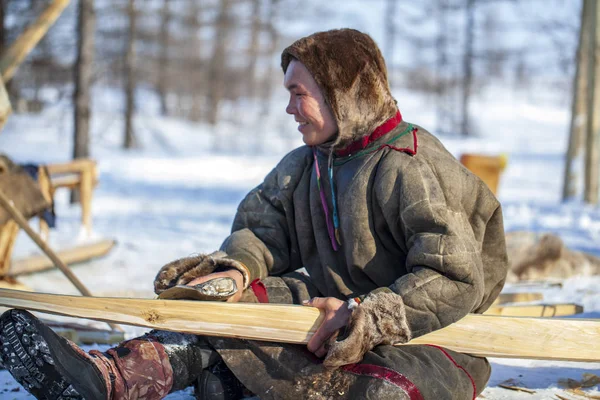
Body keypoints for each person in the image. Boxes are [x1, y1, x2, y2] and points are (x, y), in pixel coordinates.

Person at [0, 28, 508, 400]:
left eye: (298, 94)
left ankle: (227, 378)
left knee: (381, 396)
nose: (289, 109)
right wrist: (236, 268)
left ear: (344, 94)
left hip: (427, 334)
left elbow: (454, 275)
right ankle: (112, 379)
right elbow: (262, 230)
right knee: (236, 303)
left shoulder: (411, 165)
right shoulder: (305, 164)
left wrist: (366, 315)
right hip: (335, 308)